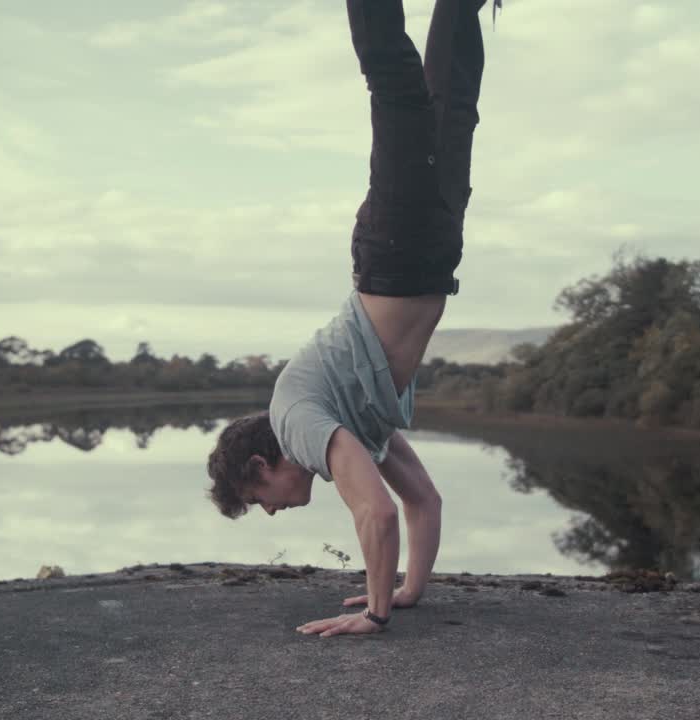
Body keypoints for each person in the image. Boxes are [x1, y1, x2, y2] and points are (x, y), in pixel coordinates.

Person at [206, 0, 496, 638]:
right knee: (452, 107)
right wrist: (409, 589)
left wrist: (375, 612)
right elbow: (422, 500)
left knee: (395, 90)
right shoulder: (350, 419)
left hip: (395, 254)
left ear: (261, 467)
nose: (275, 512)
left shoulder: (300, 423)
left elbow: (379, 514)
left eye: (261, 503)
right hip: (430, 252)